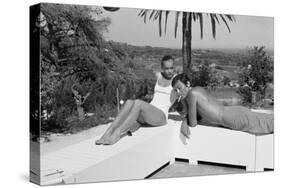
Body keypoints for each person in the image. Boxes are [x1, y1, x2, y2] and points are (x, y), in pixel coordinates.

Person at [95, 55, 176, 145]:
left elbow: (186, 90)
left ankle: (117, 134)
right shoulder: (158, 76)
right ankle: (108, 133)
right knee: (129, 102)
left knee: (138, 103)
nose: (170, 71)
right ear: (162, 68)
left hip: (161, 116)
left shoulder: (177, 80)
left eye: (172, 68)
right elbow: (143, 72)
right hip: (149, 113)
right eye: (167, 68)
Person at [171, 73, 274, 138]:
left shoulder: (192, 94)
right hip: (233, 112)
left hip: (231, 117)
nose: (178, 92)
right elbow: (199, 116)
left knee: (268, 124)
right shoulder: (197, 90)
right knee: (266, 120)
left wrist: (184, 120)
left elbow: (193, 123)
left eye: (180, 88)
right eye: (176, 90)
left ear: (188, 84)